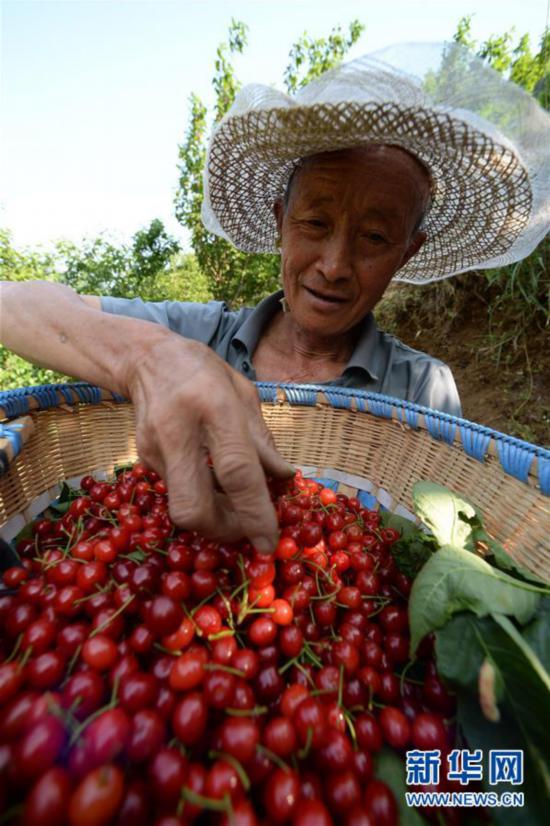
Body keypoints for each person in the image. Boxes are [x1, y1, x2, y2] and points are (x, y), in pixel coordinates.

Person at [1, 44, 548, 553]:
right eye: (314, 221)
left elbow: (433, 546)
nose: (334, 265)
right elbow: (15, 305)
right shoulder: (196, 338)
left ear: (407, 253)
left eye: (376, 239)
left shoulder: (422, 388)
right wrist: (146, 357)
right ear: (280, 221)